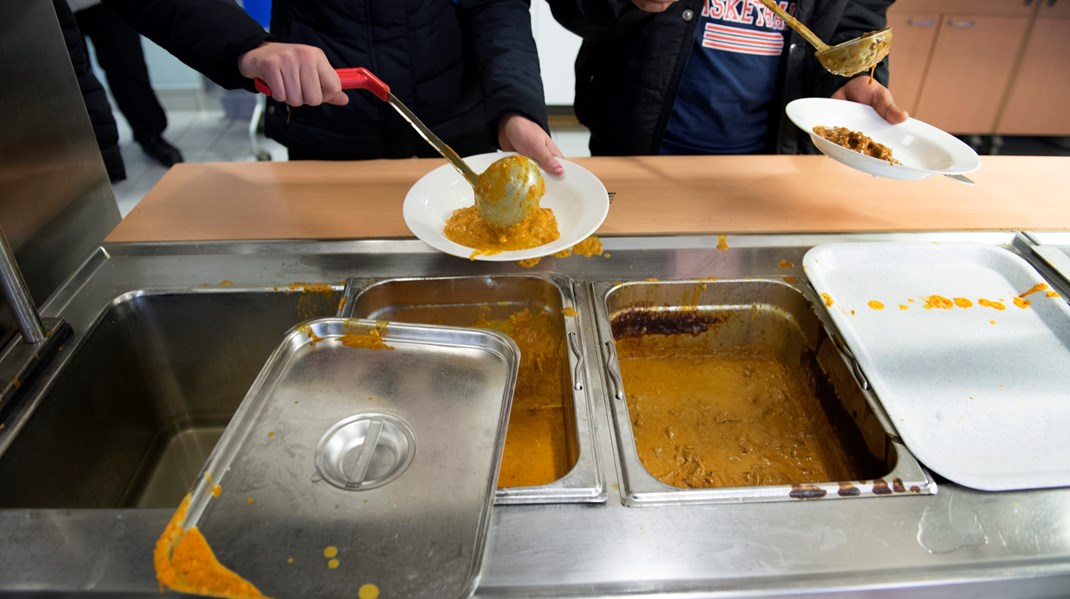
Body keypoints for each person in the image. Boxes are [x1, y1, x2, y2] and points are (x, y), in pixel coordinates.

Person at [102, 0, 564, 175]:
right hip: (326, 129)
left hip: (453, 129)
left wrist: (514, 108)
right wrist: (245, 45)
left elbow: (495, 6)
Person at [545, 0, 908, 156]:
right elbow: (575, 10)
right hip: (634, 150)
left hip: (768, 167)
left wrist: (850, 75)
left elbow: (858, 12)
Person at [67, 0, 184, 167]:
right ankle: (98, 150)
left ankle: (151, 135)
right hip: (56, 10)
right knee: (74, 80)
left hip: (107, 5)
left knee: (129, 66)